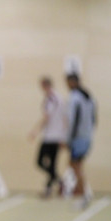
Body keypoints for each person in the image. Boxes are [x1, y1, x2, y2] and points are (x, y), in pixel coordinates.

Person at [28, 76, 67, 197]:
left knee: (40, 162)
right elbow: (64, 118)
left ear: (45, 85)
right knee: (52, 164)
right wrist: (64, 135)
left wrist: (35, 131)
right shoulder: (59, 98)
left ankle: (59, 180)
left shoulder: (51, 98)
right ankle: (49, 188)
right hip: (57, 136)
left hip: (50, 137)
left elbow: (46, 117)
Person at [65, 73, 96, 209]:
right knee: (75, 165)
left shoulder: (75, 97)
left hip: (78, 137)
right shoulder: (89, 97)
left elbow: (74, 120)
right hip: (87, 136)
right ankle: (82, 193)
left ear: (72, 82)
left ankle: (84, 195)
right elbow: (94, 119)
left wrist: (69, 139)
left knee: (76, 166)